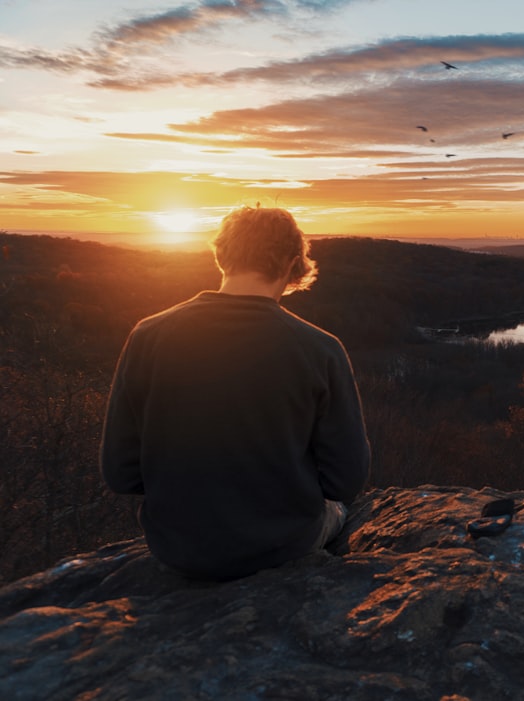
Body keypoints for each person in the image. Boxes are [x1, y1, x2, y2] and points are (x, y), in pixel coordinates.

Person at [100, 206, 371, 580]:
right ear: (293, 263)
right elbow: (346, 480)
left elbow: (120, 473)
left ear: (220, 254)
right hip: (283, 544)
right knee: (337, 511)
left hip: (177, 548)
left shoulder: (148, 335)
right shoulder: (321, 349)